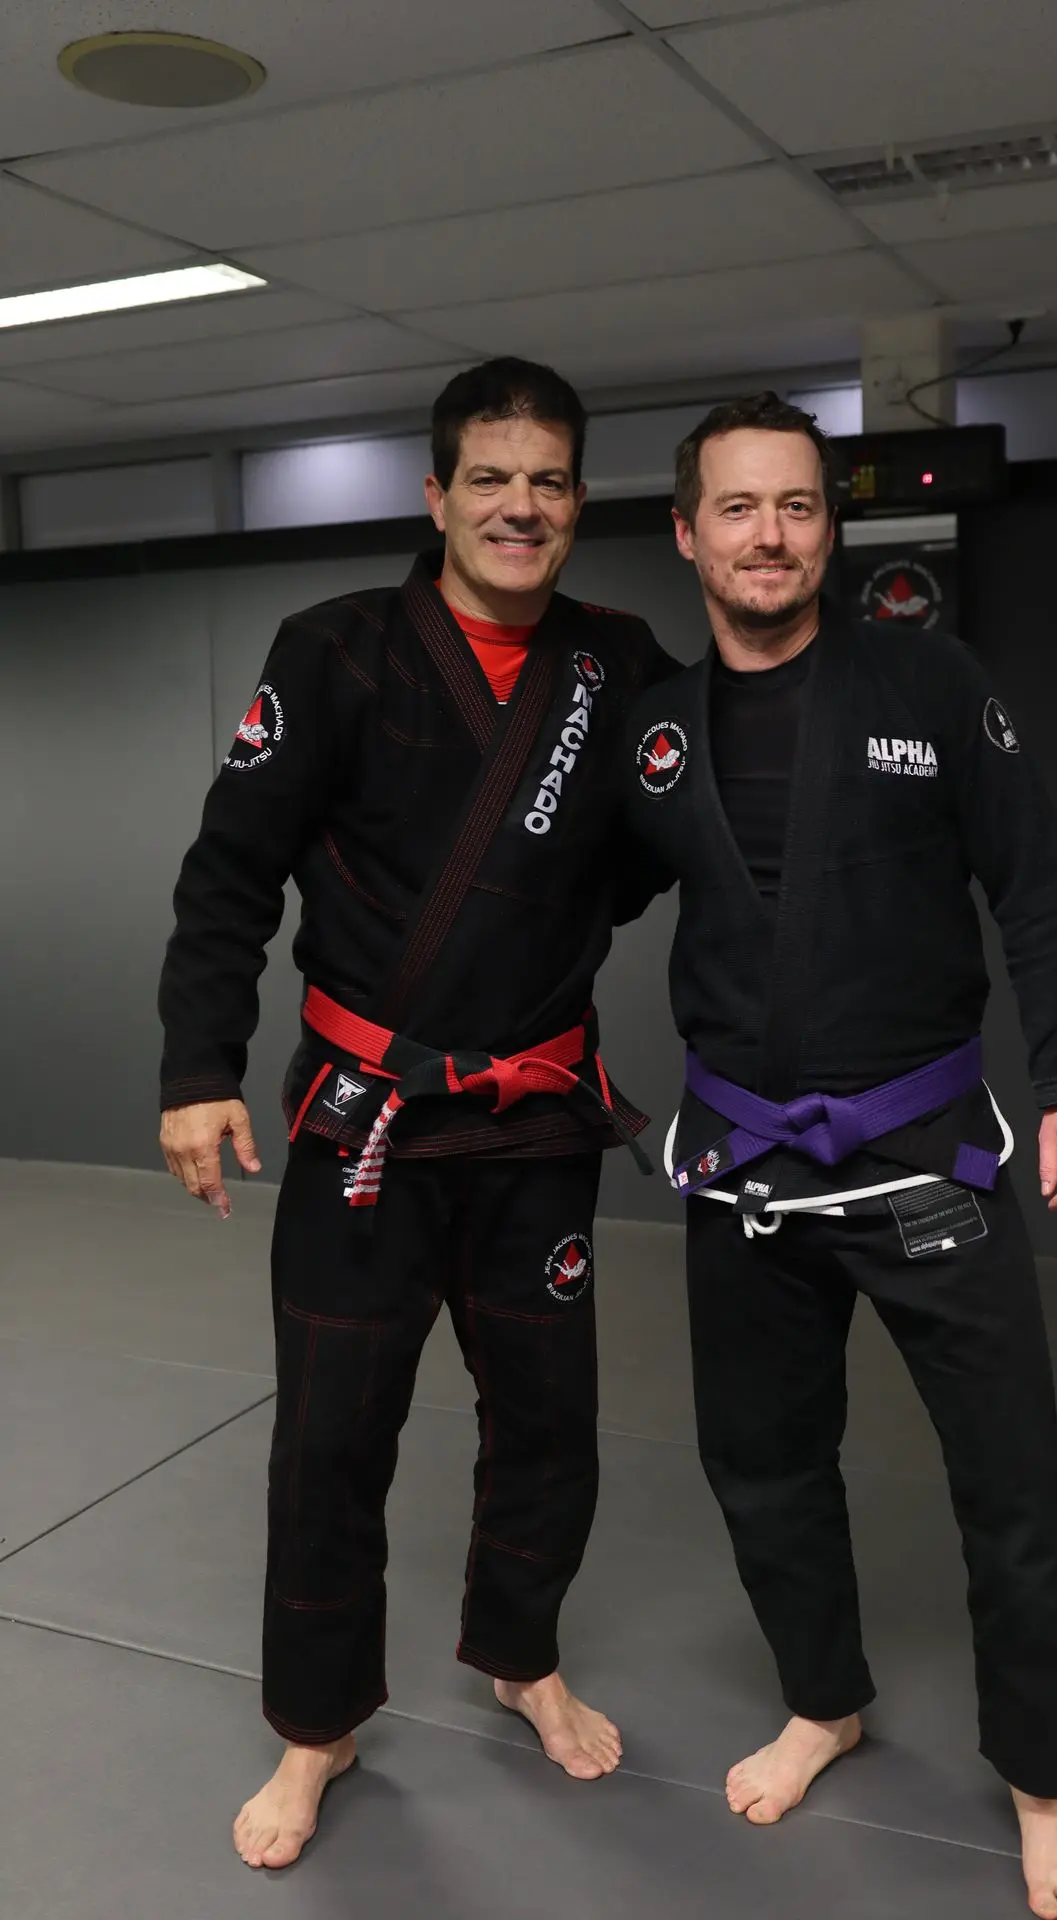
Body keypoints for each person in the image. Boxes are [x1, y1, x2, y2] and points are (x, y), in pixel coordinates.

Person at [157, 357, 676, 1870]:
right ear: (436, 494)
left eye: (554, 481)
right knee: (330, 1441)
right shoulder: (333, 652)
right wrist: (199, 1068)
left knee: (553, 1424)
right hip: (364, 1122)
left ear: (581, 501)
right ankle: (318, 1730)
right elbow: (229, 873)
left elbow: (647, 855)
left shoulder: (620, 663)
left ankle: (520, 1651)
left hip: (532, 1120)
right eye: (494, 478)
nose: (524, 506)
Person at [621, 394, 1057, 1920]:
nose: (771, 535)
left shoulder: (926, 677)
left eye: (798, 507)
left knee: (1010, 1486)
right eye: (740, 508)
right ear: (689, 532)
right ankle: (825, 1700)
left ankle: (1043, 1785)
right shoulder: (657, 736)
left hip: (926, 1162)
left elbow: (1031, 887)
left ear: (827, 529)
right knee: (765, 1469)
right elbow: (561, 909)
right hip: (747, 1177)